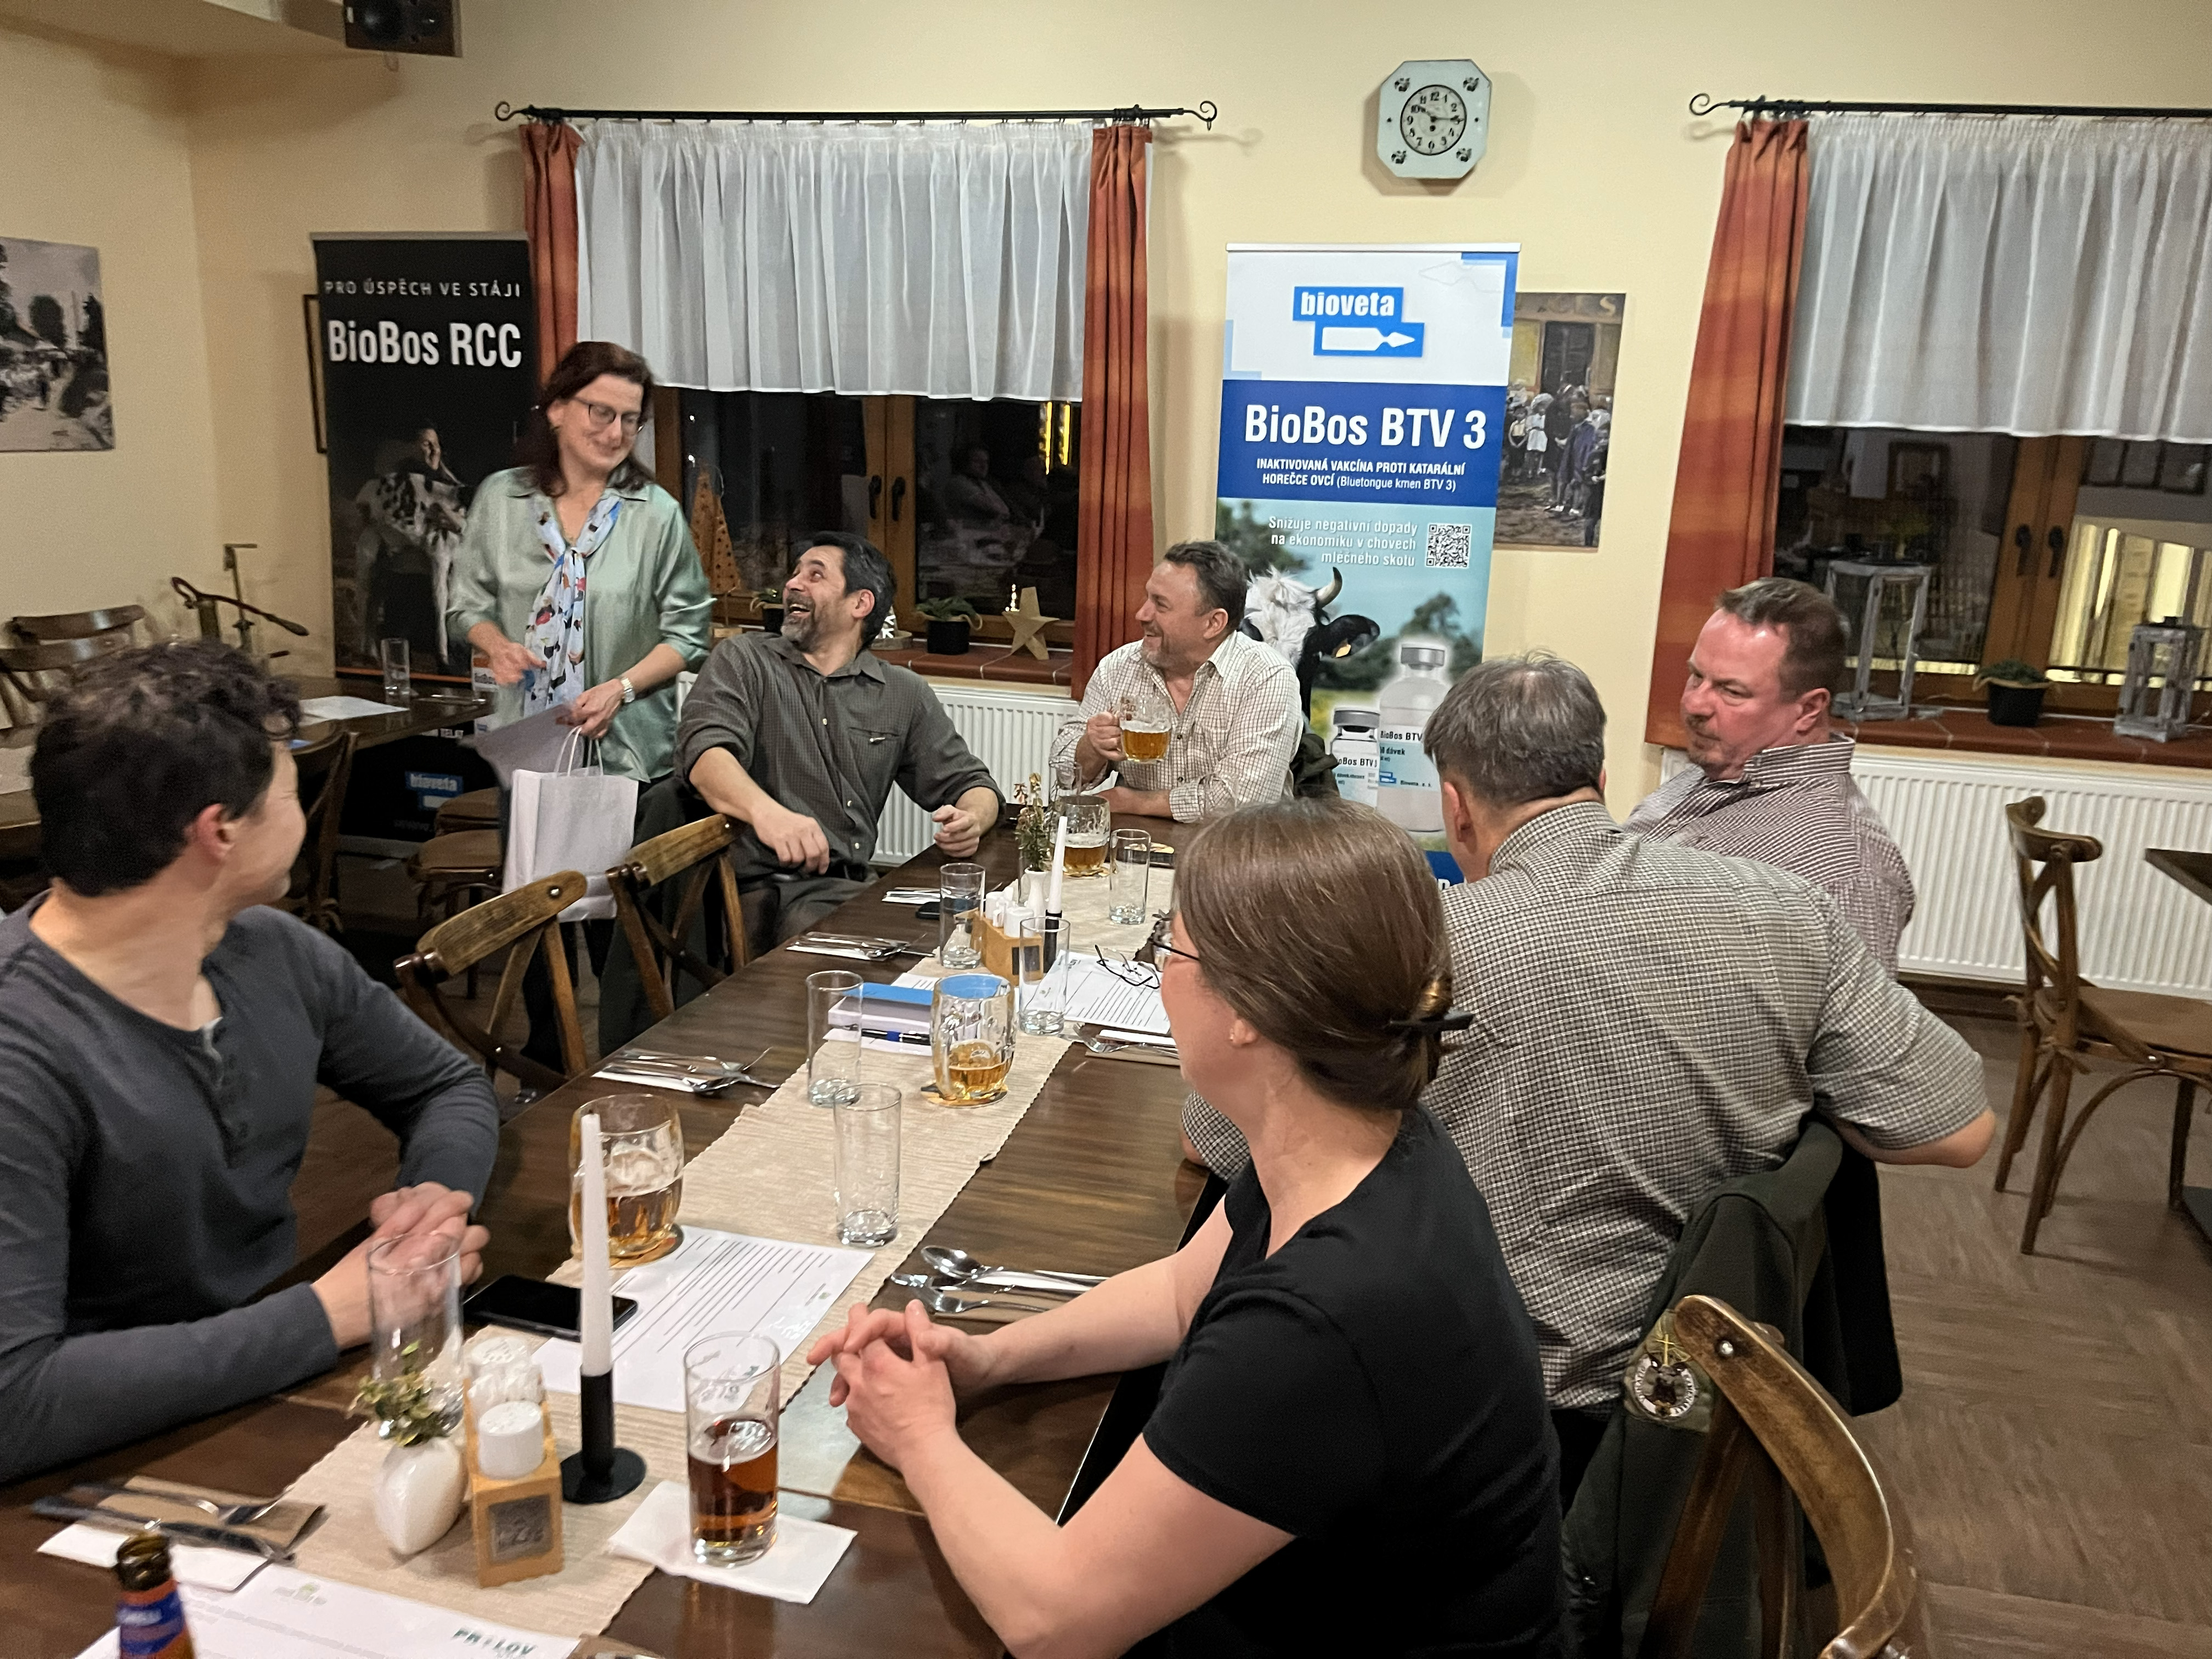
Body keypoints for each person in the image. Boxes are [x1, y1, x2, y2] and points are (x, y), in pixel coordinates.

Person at [1181, 656, 1993, 1503]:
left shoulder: (1417, 947)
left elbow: (1215, 1141)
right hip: (1701, 1409)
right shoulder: (1792, 908)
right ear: (1600, 783)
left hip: (1476, 1424)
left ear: (1455, 807)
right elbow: (1959, 1129)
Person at [810, 800, 1562, 1657]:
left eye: (1171, 950)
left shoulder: (1325, 1317)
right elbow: (1178, 1293)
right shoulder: (1361, 1141)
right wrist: (989, 1359)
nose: (1160, 972)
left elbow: (1053, 1620)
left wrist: (918, 1436)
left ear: (1250, 1013)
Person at [0, 642, 499, 1484]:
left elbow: (443, 1085)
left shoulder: (271, 950)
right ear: (220, 832)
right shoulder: (21, 1052)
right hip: (100, 1473)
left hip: (263, 1390)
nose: (300, 814)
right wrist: (328, 1314)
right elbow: (16, 1404)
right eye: (291, 795)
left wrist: (431, 1205)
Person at [445, 341, 712, 1065]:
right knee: (536, 917)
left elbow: (690, 634)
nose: (616, 431)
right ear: (558, 409)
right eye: (601, 412)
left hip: (626, 751)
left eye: (630, 419)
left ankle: (631, 1060)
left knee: (619, 927)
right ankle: (548, 1063)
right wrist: (495, 644)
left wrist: (622, 687)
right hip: (531, 746)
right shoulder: (502, 500)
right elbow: (464, 604)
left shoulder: (654, 513)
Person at [679, 532, 1002, 955]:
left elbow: (973, 783)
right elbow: (705, 755)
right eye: (795, 573)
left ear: (860, 604)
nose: (793, 584)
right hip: (762, 895)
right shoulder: (744, 660)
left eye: (815, 575)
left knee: (970, 941)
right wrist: (768, 814)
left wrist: (972, 820)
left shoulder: (902, 692)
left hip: (852, 889)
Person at [1627, 576, 1914, 971]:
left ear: (1808, 709)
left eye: (1731, 691)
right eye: (1696, 676)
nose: (1694, 704)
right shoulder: (1720, 766)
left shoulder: (1845, 873)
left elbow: (1857, 1012)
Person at [1050, 539, 1302, 822]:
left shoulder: (1267, 678)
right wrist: (1092, 746)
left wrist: (1134, 802)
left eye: (1161, 605)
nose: (1141, 614)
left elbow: (1242, 801)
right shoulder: (1117, 668)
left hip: (1233, 844)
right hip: (1137, 842)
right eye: (1148, 598)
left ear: (1213, 623)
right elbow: (1065, 775)